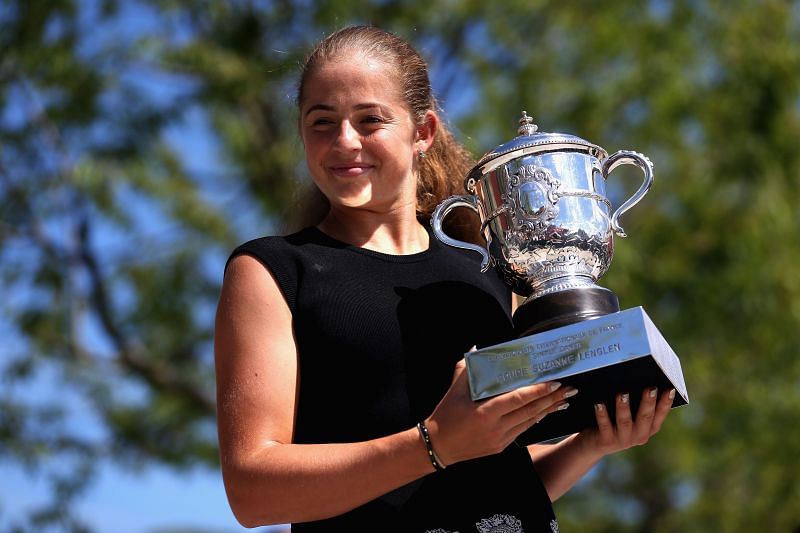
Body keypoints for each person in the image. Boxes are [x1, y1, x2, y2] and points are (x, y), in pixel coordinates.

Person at [213, 24, 675, 533]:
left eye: (370, 120)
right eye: (322, 122)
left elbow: (502, 481)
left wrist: (592, 443)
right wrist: (433, 443)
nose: (345, 141)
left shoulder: (490, 272)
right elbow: (253, 491)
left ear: (423, 132)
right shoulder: (272, 272)